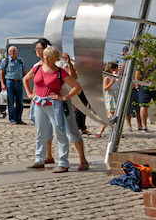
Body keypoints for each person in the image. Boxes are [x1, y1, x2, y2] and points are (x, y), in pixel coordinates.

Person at [33, 40, 90, 170]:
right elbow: (36, 84)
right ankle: (47, 157)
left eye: (41, 48)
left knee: (69, 130)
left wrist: (64, 98)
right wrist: (33, 98)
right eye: (37, 49)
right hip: (42, 102)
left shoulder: (59, 64)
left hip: (61, 102)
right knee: (44, 131)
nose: (39, 51)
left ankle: (82, 159)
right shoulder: (37, 66)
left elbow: (73, 79)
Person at [23, 45, 82, 173]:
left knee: (60, 133)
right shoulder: (37, 68)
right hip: (39, 104)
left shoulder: (60, 72)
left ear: (56, 58)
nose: (46, 58)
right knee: (40, 132)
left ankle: (63, 162)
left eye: (49, 56)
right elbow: (26, 79)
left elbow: (77, 87)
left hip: (53, 105)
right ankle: (39, 160)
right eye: (45, 55)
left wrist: (63, 97)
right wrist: (29, 94)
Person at [1, 46, 28, 124]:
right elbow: (1, 73)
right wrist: (3, 83)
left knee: (20, 102)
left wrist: (27, 81)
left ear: (17, 52)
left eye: (13, 51)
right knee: (11, 102)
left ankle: (19, 119)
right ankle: (12, 119)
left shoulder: (20, 60)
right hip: (10, 82)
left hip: (19, 82)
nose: (12, 53)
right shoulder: (5, 61)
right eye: (10, 51)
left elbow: (24, 72)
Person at [97, 61, 120, 137]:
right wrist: (111, 83)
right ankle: (101, 129)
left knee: (116, 114)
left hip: (117, 95)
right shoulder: (107, 78)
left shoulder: (115, 76)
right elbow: (105, 88)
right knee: (111, 114)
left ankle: (115, 131)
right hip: (111, 96)